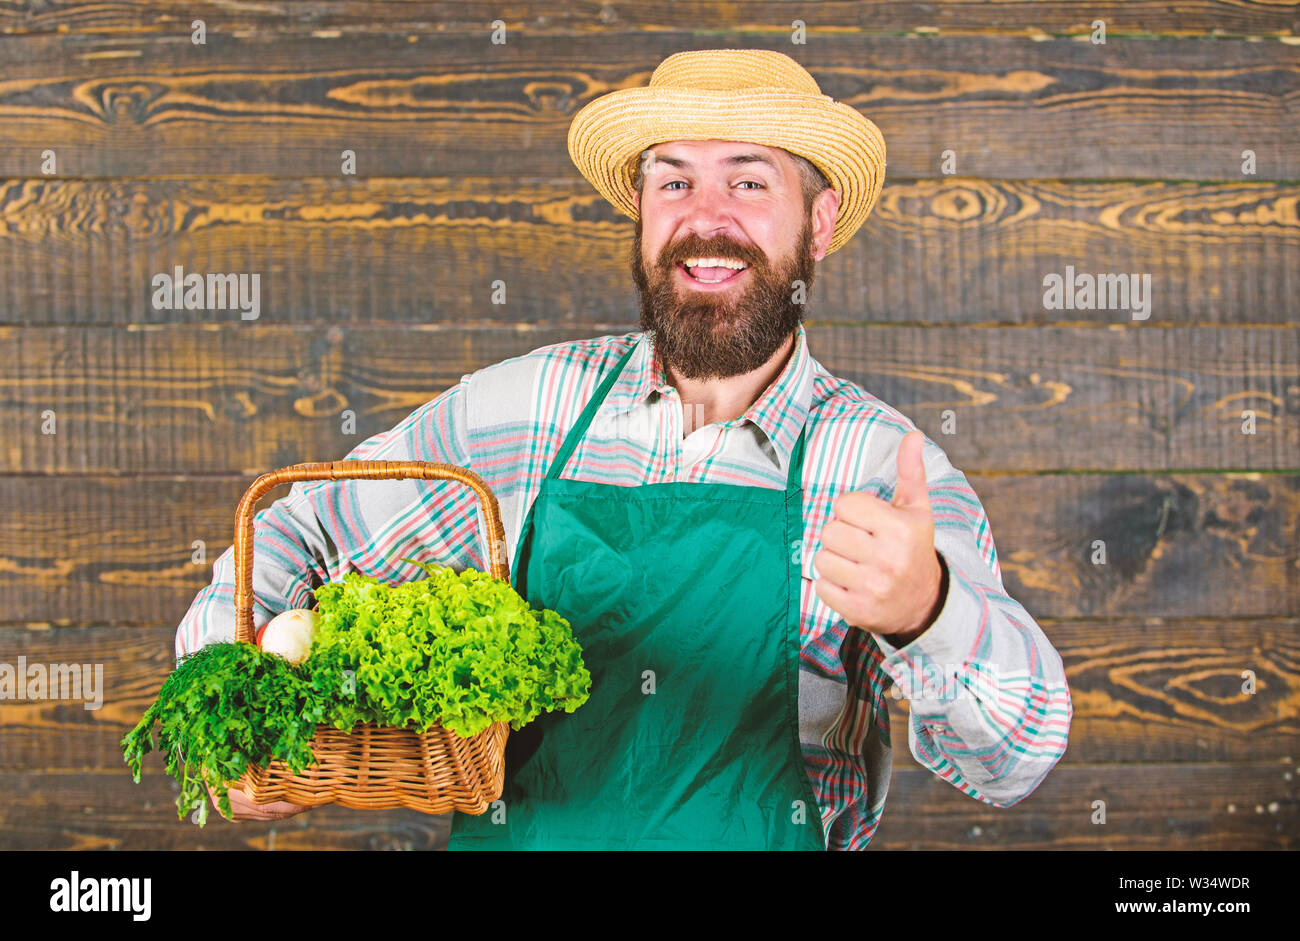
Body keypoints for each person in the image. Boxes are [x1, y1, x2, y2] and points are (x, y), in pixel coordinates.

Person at [177, 48, 1071, 849]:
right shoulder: (523, 411)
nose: (705, 218)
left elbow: (1018, 754)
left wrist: (930, 611)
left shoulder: (881, 466)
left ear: (821, 221)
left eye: (749, 182)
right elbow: (298, 531)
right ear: (642, 211)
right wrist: (235, 696)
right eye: (672, 181)